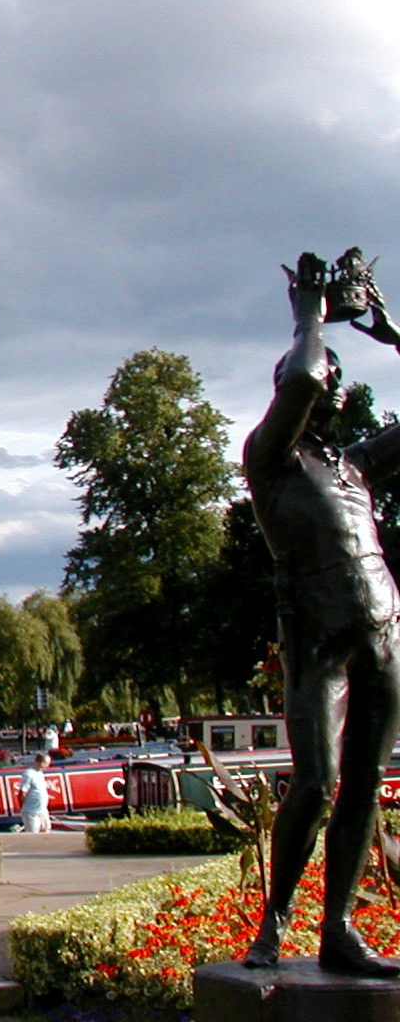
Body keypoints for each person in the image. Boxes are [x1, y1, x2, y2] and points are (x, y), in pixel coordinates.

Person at [242, 252, 400, 976]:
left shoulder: (354, 465)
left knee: (366, 782)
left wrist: (394, 335)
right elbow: (304, 373)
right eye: (322, 375)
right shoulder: (270, 460)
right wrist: (310, 314)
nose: (330, 380)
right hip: (319, 643)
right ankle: (274, 924)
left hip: (383, 635)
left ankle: (337, 928)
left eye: (338, 375)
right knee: (315, 785)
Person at [19, 753, 52, 833]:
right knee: (33, 834)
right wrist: (23, 806)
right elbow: (22, 792)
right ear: (39, 762)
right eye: (46, 763)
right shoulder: (29, 774)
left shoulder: (40, 773)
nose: (48, 766)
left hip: (42, 810)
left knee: (46, 830)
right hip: (31, 811)